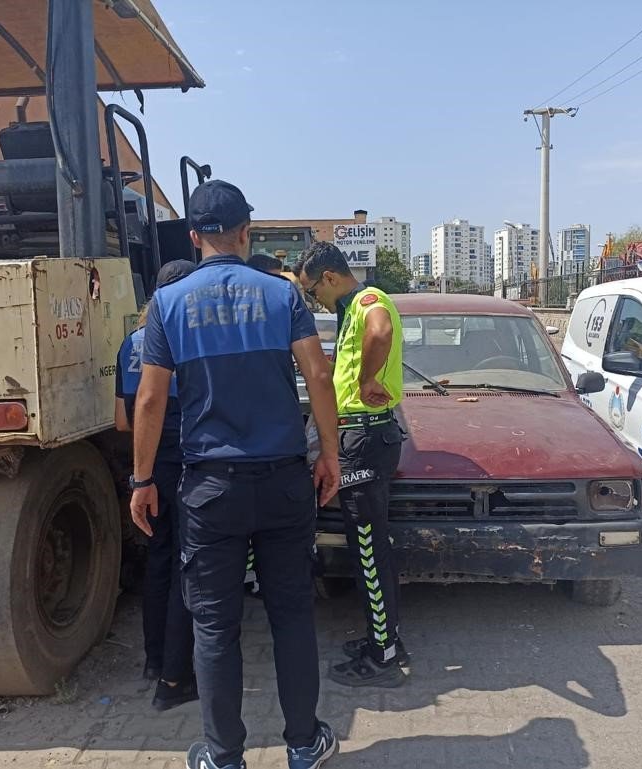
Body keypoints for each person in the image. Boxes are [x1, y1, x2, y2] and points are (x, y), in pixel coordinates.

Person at [130, 180, 341, 769]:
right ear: (247, 233)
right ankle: (304, 744)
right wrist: (330, 453)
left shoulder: (168, 304)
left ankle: (223, 756)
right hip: (281, 482)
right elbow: (319, 378)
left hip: (210, 488)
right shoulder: (281, 296)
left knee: (215, 626)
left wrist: (142, 480)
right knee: (292, 614)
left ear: (194, 237)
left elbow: (149, 401)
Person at [298, 242, 407, 688]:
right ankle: (385, 640)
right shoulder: (352, 311)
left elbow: (380, 333)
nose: (313, 300)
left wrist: (365, 380)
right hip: (360, 434)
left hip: (364, 437)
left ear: (328, 278)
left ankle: (383, 657)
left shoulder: (368, 301)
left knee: (368, 549)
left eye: (311, 291)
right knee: (369, 547)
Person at [115, 259, 198, 711]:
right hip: (185, 460)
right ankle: (176, 671)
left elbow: (122, 420)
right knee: (188, 562)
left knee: (159, 560)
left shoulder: (130, 342)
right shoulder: (183, 339)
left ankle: (153, 659)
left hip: (148, 465)